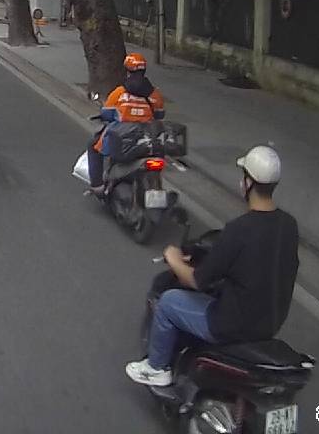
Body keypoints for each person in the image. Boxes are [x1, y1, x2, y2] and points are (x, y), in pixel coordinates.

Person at [126, 145, 299, 387]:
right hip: (270, 323)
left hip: (230, 324)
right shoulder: (288, 224)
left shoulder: (239, 229)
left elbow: (197, 280)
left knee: (167, 302)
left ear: (248, 183)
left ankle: (156, 368)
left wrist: (174, 258)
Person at [85, 53, 166, 198]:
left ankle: (97, 186)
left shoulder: (119, 93)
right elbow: (159, 115)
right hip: (147, 137)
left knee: (93, 145)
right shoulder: (155, 94)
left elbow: (107, 113)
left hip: (123, 136)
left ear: (127, 70)